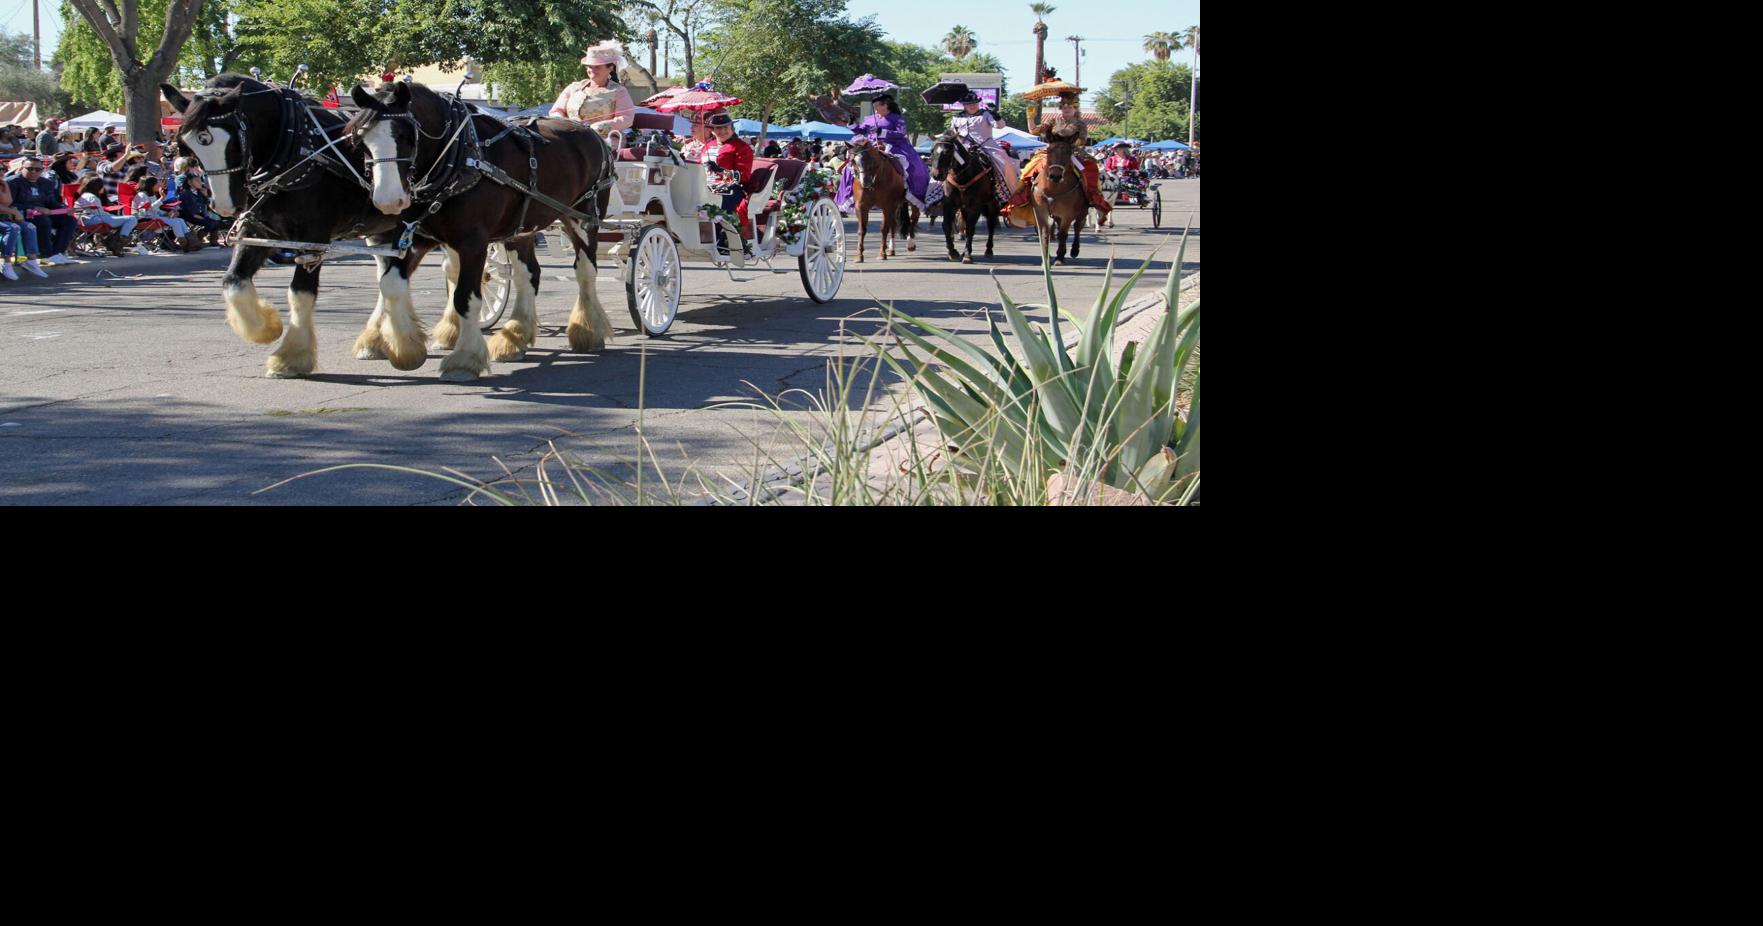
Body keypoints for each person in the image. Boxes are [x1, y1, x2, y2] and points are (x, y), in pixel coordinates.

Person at [1004, 75, 1110, 225]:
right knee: (1029, 169)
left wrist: (1062, 131)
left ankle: (1093, 199)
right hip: (1052, 151)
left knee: (1090, 170)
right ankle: (1024, 198)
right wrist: (1030, 117)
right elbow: (1034, 130)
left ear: (1075, 108)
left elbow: (1080, 141)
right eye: (1064, 106)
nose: (1066, 109)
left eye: (1069, 107)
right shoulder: (1054, 120)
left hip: (1072, 152)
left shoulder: (1080, 124)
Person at [834, 92, 930, 213]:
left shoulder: (897, 118)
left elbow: (901, 134)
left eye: (877, 106)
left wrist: (882, 132)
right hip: (871, 146)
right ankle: (850, 193)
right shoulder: (870, 119)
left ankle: (910, 190)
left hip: (894, 146)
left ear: (886, 105)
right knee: (851, 165)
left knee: (914, 166)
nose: (875, 109)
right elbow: (861, 131)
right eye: (874, 106)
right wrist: (852, 124)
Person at [549, 40, 636, 147]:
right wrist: (561, 122)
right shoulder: (573, 87)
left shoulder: (619, 91)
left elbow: (626, 118)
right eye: (590, 66)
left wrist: (601, 126)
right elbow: (556, 110)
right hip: (569, 138)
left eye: (597, 67)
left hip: (604, 141)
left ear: (610, 68)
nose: (592, 70)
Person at [948, 89, 1020, 199]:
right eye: (968, 104)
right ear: (963, 105)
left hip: (986, 145)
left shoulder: (986, 114)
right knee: (942, 162)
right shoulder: (956, 117)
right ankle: (937, 194)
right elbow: (952, 132)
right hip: (963, 147)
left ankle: (1012, 194)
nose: (972, 106)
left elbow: (1000, 126)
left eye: (974, 103)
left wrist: (995, 114)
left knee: (1005, 163)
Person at [6, 156, 77, 264]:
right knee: (44, 221)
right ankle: (46, 254)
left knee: (69, 220)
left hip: (43, 212)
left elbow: (52, 203)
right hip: (21, 213)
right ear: (21, 168)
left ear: (42, 170)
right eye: (30, 169)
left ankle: (57, 252)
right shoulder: (13, 182)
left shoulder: (46, 183)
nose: (34, 172)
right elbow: (10, 203)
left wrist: (65, 209)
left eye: (38, 169)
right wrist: (34, 208)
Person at [701, 111, 754, 256]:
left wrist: (722, 171)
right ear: (712, 130)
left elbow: (744, 175)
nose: (722, 131)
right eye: (718, 128)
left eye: (726, 127)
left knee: (720, 203)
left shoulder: (741, 147)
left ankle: (722, 239)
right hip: (705, 186)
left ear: (732, 128)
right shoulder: (706, 146)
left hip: (731, 188)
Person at [74, 176, 148, 254]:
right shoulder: (93, 197)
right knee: (132, 219)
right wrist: (113, 216)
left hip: (83, 220)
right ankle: (118, 242)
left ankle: (113, 241)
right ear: (98, 187)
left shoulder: (84, 195)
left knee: (123, 220)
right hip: (94, 220)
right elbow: (100, 214)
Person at [0, 168, 50, 278]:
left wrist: (5, 185)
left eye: (2, 170)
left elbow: (8, 202)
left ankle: (30, 261)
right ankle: (6, 263)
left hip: (4, 218)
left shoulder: (3, 184)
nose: (1, 173)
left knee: (30, 227)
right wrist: (13, 211)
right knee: (13, 228)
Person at [132, 175, 192, 242]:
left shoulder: (152, 194)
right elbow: (147, 210)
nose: (159, 185)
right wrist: (161, 199)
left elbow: (156, 210)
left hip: (154, 217)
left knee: (180, 220)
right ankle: (184, 242)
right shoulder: (141, 195)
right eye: (157, 184)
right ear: (150, 185)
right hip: (146, 219)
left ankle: (191, 241)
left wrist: (167, 214)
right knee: (175, 222)